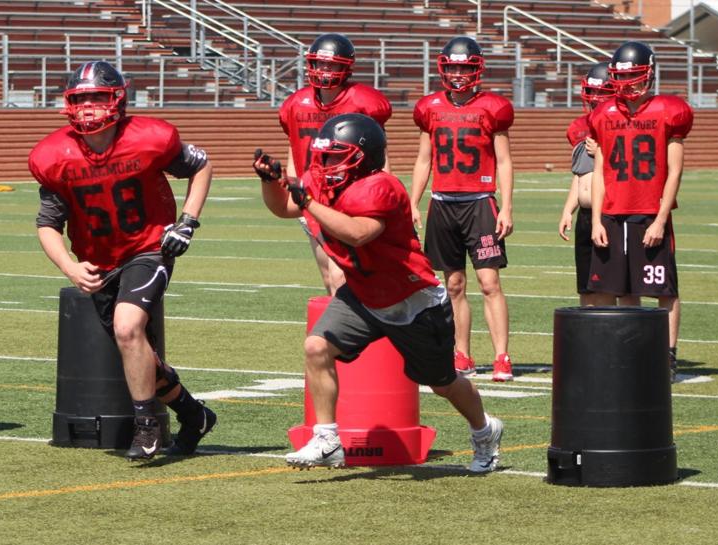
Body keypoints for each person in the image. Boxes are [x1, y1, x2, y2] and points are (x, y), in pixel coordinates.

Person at [254, 113, 504, 472]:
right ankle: (327, 440)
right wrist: (270, 182)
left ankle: (484, 430)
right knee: (316, 346)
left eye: (336, 155)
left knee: (443, 382)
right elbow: (284, 207)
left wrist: (309, 202)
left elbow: (358, 232)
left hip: (412, 301)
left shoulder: (381, 186)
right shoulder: (319, 182)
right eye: (324, 155)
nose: (326, 163)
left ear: (362, 157)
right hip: (363, 293)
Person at [28, 60, 217, 460]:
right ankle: (194, 415)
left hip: (148, 248)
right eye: (81, 99)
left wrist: (186, 223)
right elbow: (47, 224)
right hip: (98, 261)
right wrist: (70, 266)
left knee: (128, 328)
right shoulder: (54, 155)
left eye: (98, 97)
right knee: (140, 353)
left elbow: (200, 166)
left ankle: (146, 425)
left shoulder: (151, 138)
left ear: (118, 99)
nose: (90, 108)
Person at [408, 36, 516, 382]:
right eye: (453, 67)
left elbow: (504, 161)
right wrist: (413, 202)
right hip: (443, 202)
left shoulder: (492, 107)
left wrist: (507, 206)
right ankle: (463, 354)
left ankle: (501, 356)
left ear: (477, 69)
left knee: (489, 282)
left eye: (464, 67)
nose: (457, 74)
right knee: (453, 284)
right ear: (443, 67)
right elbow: (424, 160)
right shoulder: (430, 107)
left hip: (479, 201)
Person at [588, 41, 692, 380]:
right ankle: (632, 353)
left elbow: (674, 171)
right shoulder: (604, 114)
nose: (628, 84)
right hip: (614, 213)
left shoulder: (667, 110)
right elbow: (601, 172)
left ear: (648, 74)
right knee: (625, 288)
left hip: (650, 212)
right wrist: (595, 220)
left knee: (664, 289)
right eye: (622, 77)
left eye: (634, 77)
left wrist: (661, 219)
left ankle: (668, 355)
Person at [277, 33, 392, 295]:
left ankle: (359, 333)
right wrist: (295, 188)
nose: (325, 70)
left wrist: (384, 195)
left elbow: (380, 152)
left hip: (349, 198)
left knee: (343, 277)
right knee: (330, 279)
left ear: (346, 67)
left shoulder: (363, 102)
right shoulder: (296, 103)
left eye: (332, 64)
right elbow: (294, 147)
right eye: (321, 64)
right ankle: (343, 335)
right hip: (314, 197)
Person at [558, 63, 615, 306]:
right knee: (585, 286)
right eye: (592, 92)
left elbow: (624, 167)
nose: (595, 98)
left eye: (601, 92)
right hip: (584, 213)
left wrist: (605, 150)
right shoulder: (579, 127)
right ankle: (589, 341)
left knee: (607, 285)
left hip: (607, 213)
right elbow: (580, 175)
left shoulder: (616, 123)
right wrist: (567, 209)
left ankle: (610, 338)